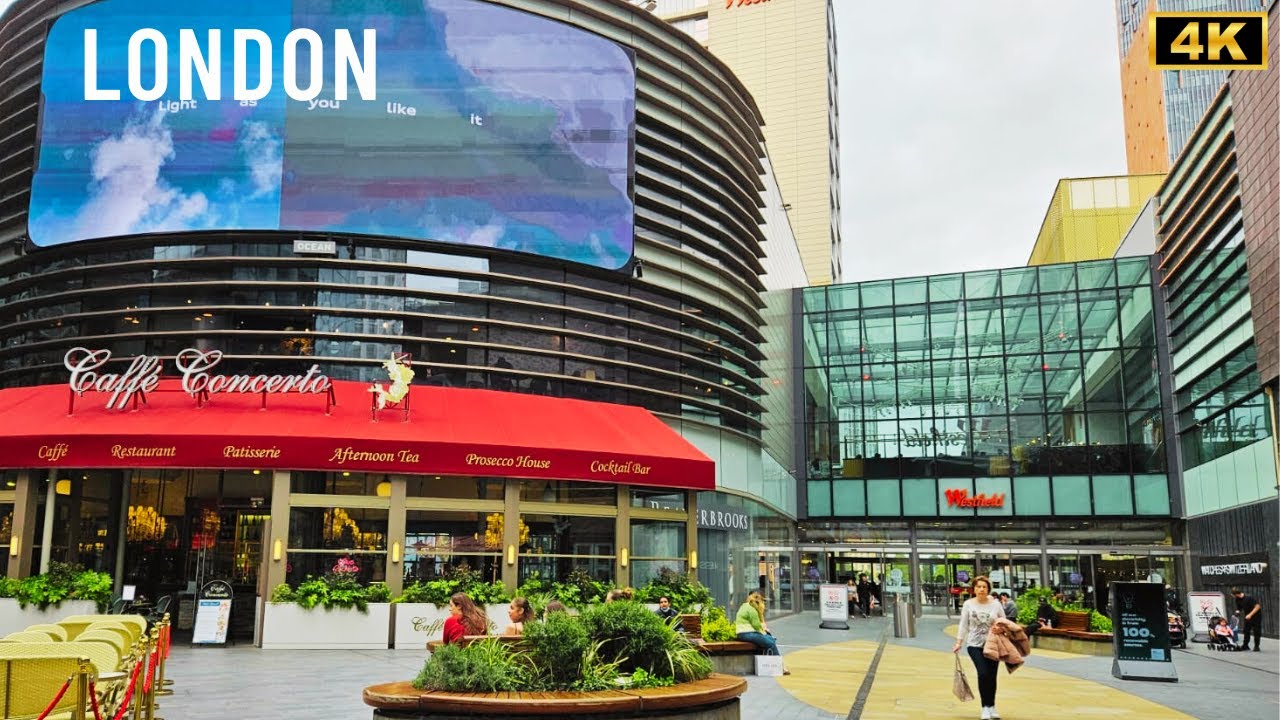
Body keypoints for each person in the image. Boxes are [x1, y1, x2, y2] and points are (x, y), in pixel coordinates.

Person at [953, 576, 1006, 720]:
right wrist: (959, 642)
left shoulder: (996, 604)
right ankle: (984, 708)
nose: (981, 589)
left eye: (984, 586)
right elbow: (963, 624)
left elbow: (1004, 622)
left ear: (988, 589)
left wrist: (1000, 629)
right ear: (974, 589)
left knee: (992, 676)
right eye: (978, 586)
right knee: (983, 674)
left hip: (993, 644)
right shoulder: (968, 604)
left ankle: (992, 706)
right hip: (974, 645)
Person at [735, 591, 789, 674]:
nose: (763, 605)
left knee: (770, 639)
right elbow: (756, 625)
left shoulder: (745, 606)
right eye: (762, 602)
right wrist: (764, 633)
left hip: (743, 633)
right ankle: (781, 666)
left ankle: (781, 665)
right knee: (770, 642)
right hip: (746, 633)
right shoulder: (751, 609)